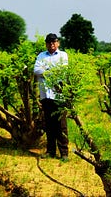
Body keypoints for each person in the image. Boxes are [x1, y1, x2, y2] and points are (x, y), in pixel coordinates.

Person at [33, 33, 69, 161]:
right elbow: (36, 70)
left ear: (58, 43)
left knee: (61, 124)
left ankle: (64, 152)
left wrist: (45, 70)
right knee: (49, 124)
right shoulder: (41, 55)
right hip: (45, 94)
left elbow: (62, 71)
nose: (51, 44)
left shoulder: (63, 55)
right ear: (46, 44)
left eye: (54, 42)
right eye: (49, 42)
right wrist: (51, 71)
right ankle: (51, 151)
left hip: (58, 95)